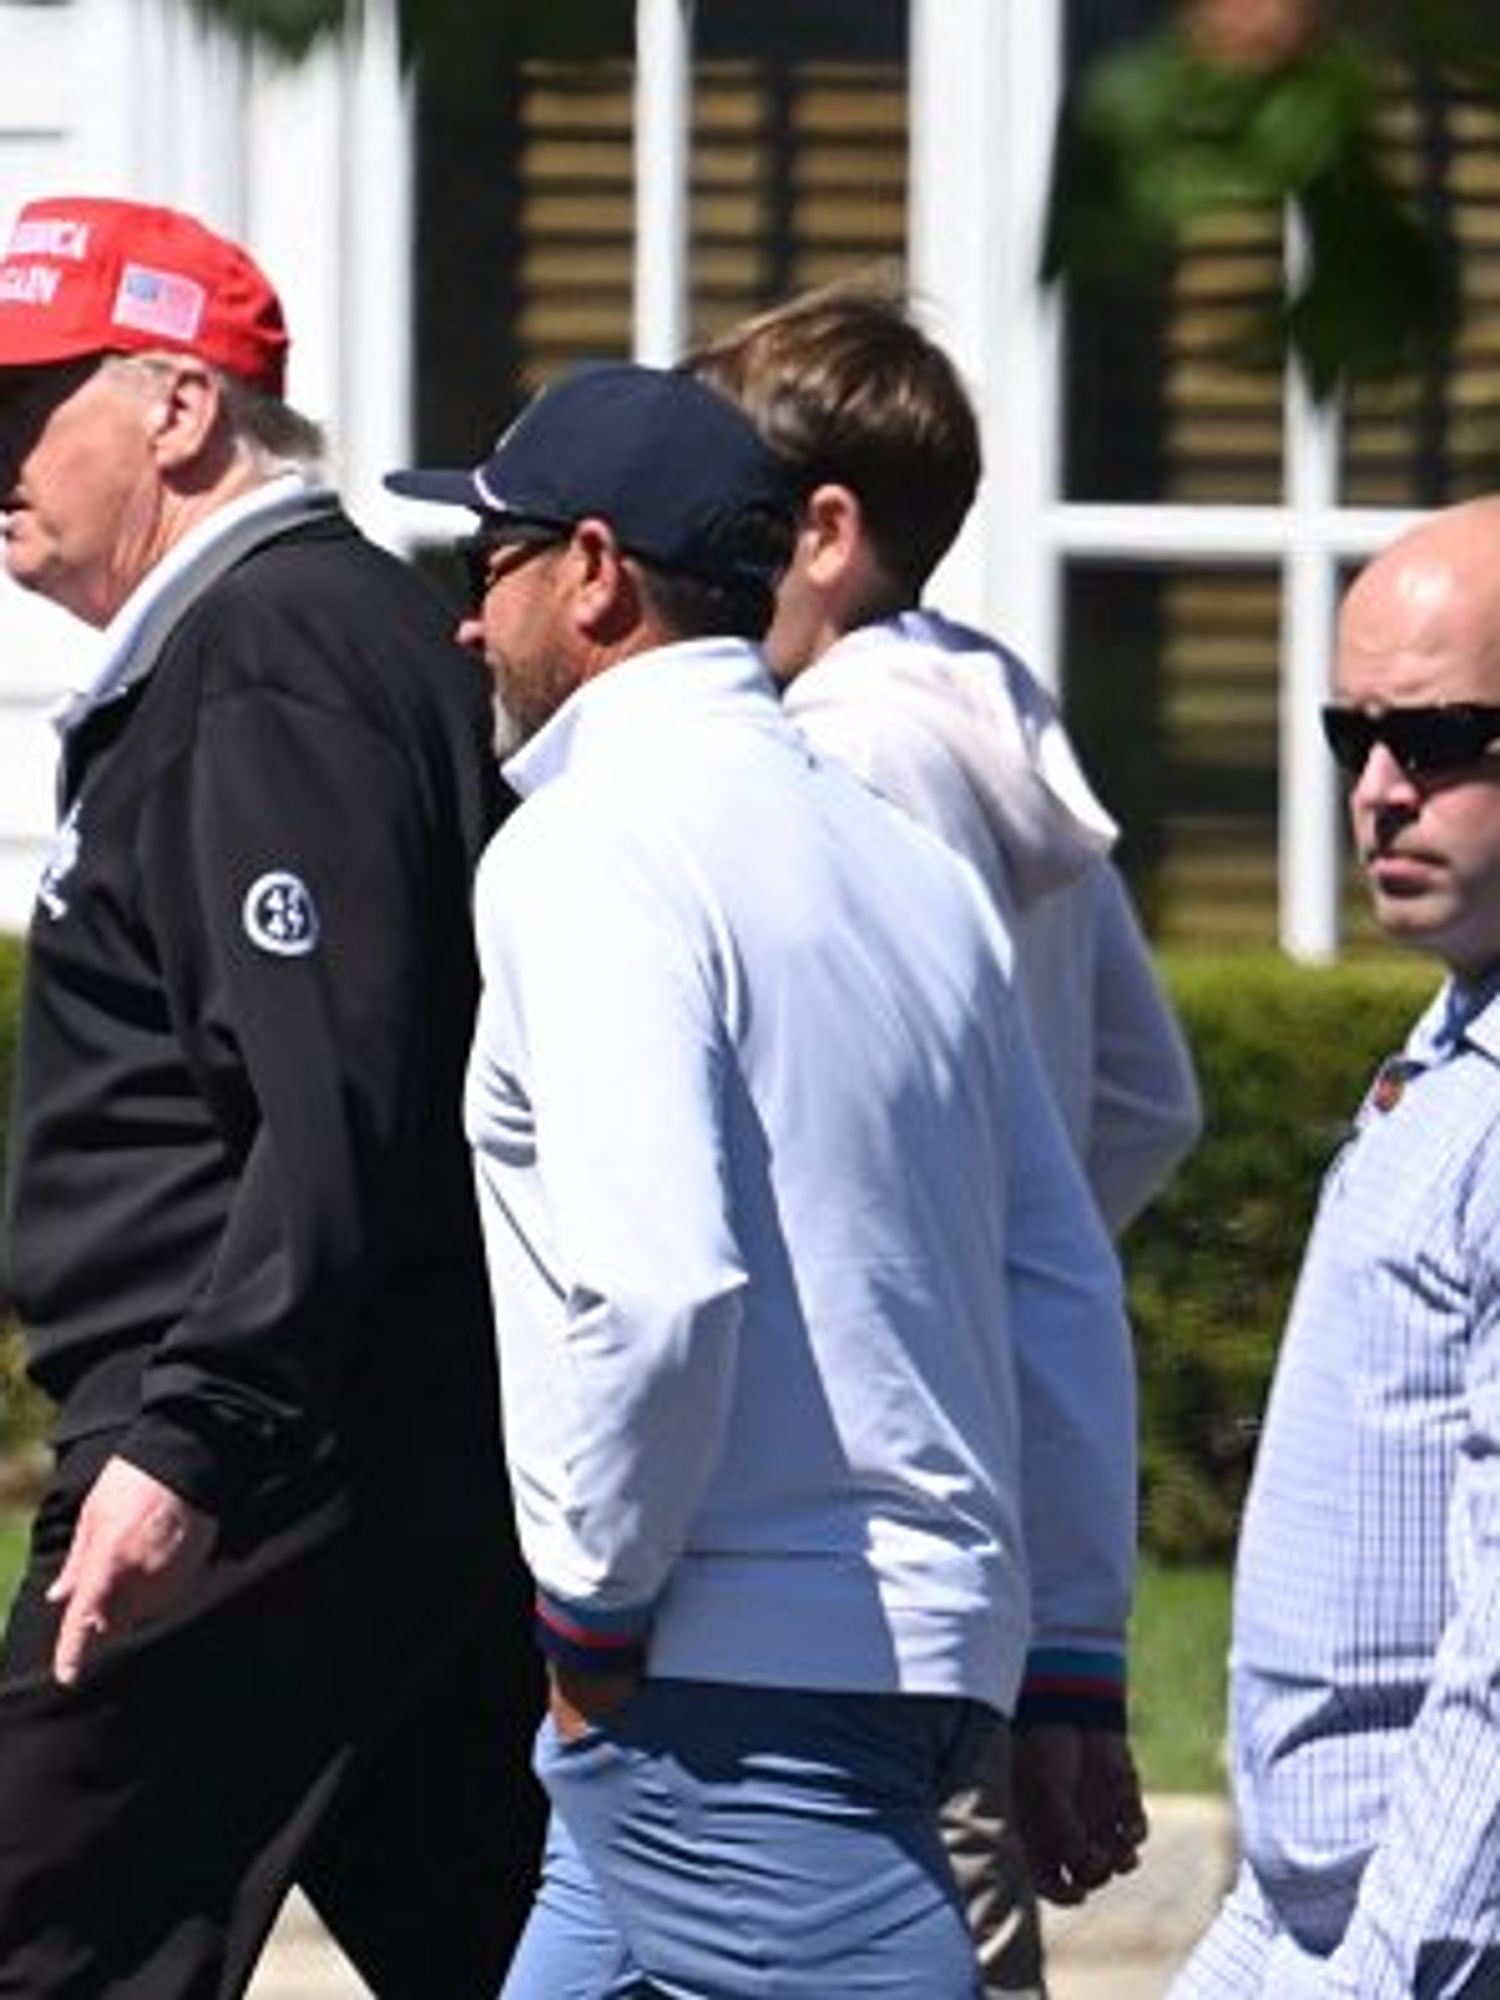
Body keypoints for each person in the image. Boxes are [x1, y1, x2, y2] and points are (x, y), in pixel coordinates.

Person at [384, 359, 1146, 2000]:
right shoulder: (904, 859)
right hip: (898, 1653)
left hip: (711, 1662)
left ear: (592, 573)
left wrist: (589, 1618)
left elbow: (660, 1286)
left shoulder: (589, 847)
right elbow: (1058, 1278)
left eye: (485, 565)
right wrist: (1071, 1658)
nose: (465, 624)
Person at [0, 194, 545, 1998]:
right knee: (516, 1942)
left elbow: (335, 1104)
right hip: (354, 1442)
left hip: (251, 1453)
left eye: (21, 408)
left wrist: (195, 1436)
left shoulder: (270, 648)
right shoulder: (275, 638)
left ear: (176, 406)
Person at [688, 282, 1200, 1996]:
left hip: (869, 1520)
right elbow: (1145, 1095)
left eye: (726, 516)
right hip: (981, 1467)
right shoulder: (996, 711)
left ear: (824, 531)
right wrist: (1008, 1287)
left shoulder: (836, 756)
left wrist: (943, 1289)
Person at [1173, 495, 1500, 1996]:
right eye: (1348, 736)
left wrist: (1389, 1967)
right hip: (1311, 1917)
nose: (1376, 792)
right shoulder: (1448, 1045)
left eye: (1435, 743)